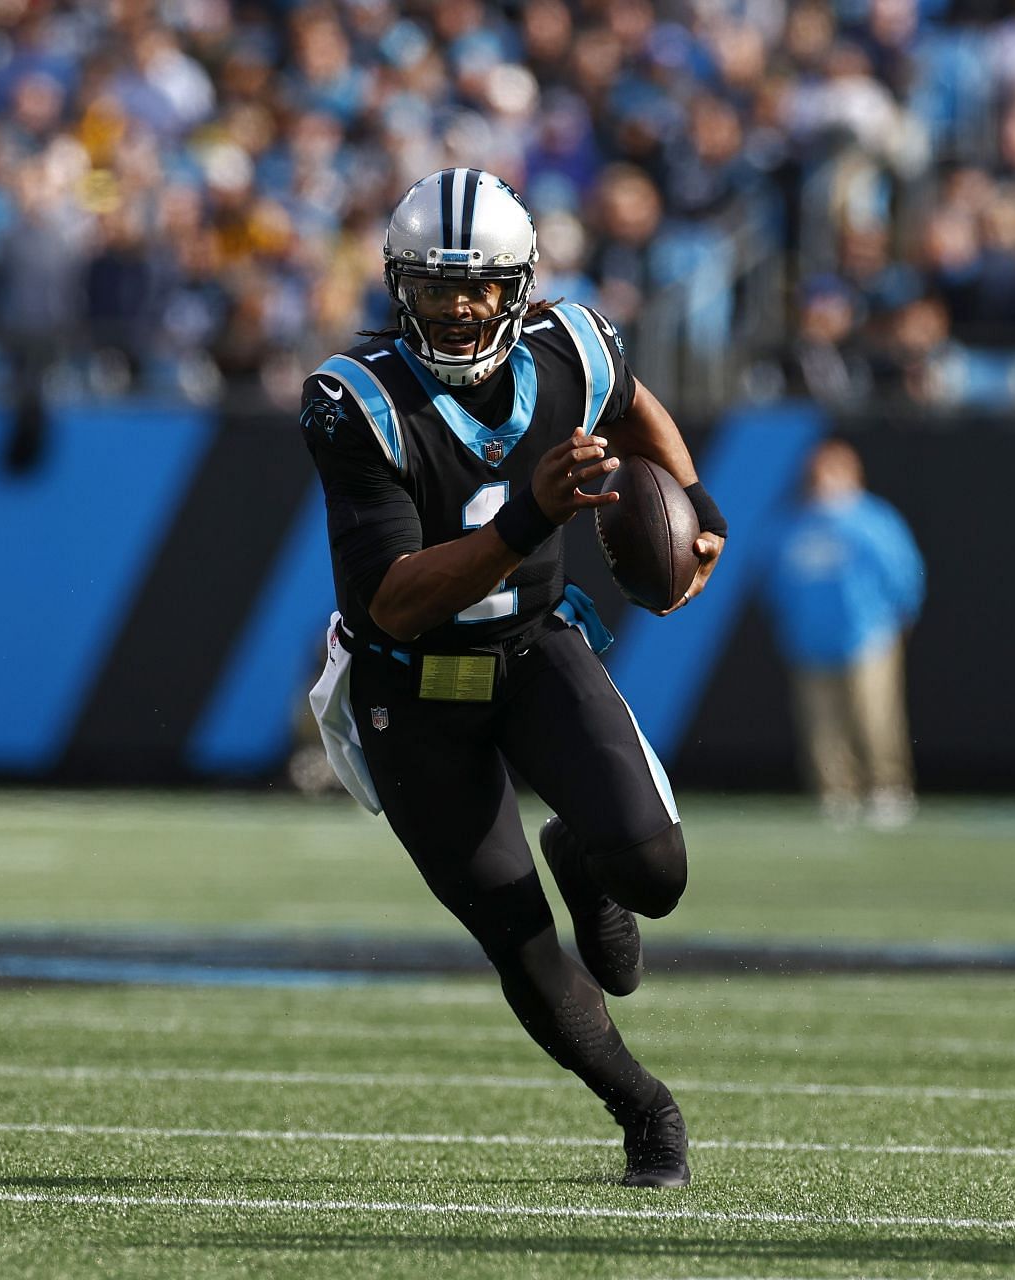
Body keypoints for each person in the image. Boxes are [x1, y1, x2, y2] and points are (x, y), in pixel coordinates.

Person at [301, 169, 727, 1188]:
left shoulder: (574, 345)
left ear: (520, 286)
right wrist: (525, 522)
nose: (459, 306)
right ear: (398, 286)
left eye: (481, 285)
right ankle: (645, 1111)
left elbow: (633, 405)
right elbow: (391, 601)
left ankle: (583, 859)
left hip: (534, 648)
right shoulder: (353, 399)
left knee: (654, 874)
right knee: (522, 940)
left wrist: (696, 502)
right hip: (407, 689)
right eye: (436, 285)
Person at [763, 439, 926, 830]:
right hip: (809, 640)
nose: (824, 483)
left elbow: (904, 571)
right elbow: (771, 578)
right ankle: (836, 795)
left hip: (868, 636)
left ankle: (888, 789)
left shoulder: (873, 520)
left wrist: (901, 616)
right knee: (821, 726)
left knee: (875, 717)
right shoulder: (791, 524)